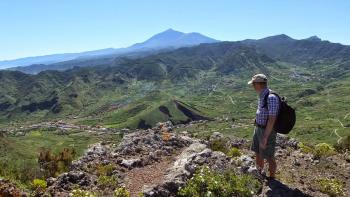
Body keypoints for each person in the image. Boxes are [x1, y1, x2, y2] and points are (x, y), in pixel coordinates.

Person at [248, 74, 280, 180]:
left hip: (266, 131)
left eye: (254, 84)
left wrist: (265, 137)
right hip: (258, 128)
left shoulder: (271, 97)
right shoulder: (262, 95)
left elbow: (272, 119)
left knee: (269, 155)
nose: (252, 86)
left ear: (259, 84)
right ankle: (260, 174)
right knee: (258, 152)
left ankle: (272, 178)